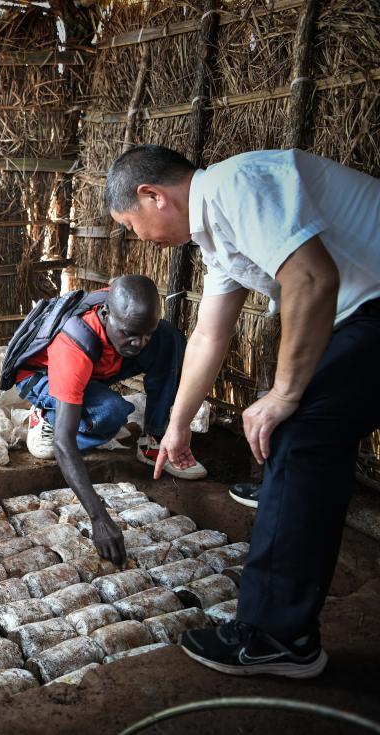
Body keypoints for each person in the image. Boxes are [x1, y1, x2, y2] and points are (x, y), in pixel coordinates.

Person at [105, 144, 380, 678]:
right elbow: (209, 334)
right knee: (305, 436)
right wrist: (176, 428)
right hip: (365, 311)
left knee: (297, 430)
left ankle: (276, 635)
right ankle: (282, 601)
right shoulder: (221, 233)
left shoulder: (239, 184)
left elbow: (312, 279)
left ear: (152, 196)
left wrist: (283, 395)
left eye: (130, 224)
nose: (137, 237)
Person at [13, 275, 206, 564]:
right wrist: (99, 518)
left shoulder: (125, 308)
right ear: (106, 314)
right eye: (130, 332)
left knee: (170, 338)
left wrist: (145, 335)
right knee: (110, 414)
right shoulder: (73, 345)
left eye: (145, 333)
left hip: (96, 364)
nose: (139, 342)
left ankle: (154, 437)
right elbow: (64, 445)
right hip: (40, 376)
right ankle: (46, 414)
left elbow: (143, 333)